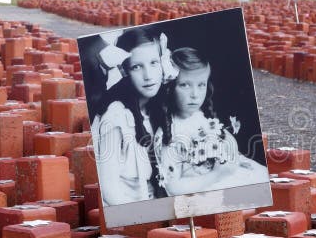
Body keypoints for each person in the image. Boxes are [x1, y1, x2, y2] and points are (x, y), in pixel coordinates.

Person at [154, 47, 268, 196]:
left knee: (262, 177)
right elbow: (173, 187)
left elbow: (228, 140)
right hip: (202, 189)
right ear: (169, 88)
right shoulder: (170, 132)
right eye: (185, 85)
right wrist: (217, 174)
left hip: (223, 175)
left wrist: (232, 158)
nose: (195, 95)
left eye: (201, 85)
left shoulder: (200, 117)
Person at [89, 26, 176, 205]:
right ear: (124, 71)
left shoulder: (156, 109)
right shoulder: (117, 116)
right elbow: (110, 191)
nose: (148, 75)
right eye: (137, 67)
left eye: (154, 63)